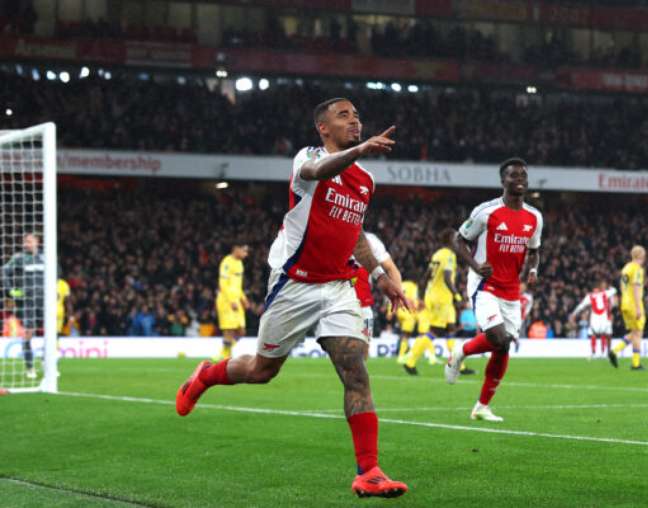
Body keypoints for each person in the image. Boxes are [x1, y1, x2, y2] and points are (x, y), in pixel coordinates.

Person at [175, 97, 411, 498]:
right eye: (344, 116)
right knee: (262, 371)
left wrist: (377, 273)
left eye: (356, 116)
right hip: (295, 283)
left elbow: (355, 231)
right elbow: (316, 171)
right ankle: (206, 375)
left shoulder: (365, 181)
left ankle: (368, 471)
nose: (354, 121)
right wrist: (359, 149)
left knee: (355, 368)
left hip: (338, 285)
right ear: (323, 127)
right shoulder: (310, 157)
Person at [446, 157, 543, 422]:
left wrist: (533, 270)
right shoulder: (486, 212)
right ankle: (460, 353)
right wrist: (476, 266)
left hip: (511, 289)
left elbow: (534, 250)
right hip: (484, 285)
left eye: (523, 175)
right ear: (503, 181)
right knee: (498, 337)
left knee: (503, 347)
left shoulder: (535, 217)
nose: (520, 179)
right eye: (514, 175)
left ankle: (481, 407)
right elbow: (458, 239)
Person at [419, 228, 474, 375]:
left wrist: (421, 295)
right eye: (456, 238)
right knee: (435, 331)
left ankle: (458, 366)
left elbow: (426, 276)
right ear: (450, 240)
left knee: (450, 329)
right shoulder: (449, 255)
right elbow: (447, 278)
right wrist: (457, 296)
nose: (458, 241)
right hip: (441, 298)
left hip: (437, 297)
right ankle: (410, 360)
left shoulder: (437, 254)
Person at [2, 233, 45, 379]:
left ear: (37, 242)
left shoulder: (45, 258)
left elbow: (57, 274)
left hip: (45, 300)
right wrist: (10, 290)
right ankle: (30, 367)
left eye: (29, 241)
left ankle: (48, 363)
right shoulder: (19, 258)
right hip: (28, 301)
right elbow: (3, 271)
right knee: (28, 333)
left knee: (53, 332)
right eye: (24, 241)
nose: (26, 244)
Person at [353, 231, 401, 339]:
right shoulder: (333, 236)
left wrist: (396, 298)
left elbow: (391, 269)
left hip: (363, 303)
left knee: (363, 346)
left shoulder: (371, 241)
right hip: (337, 301)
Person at [609, 246, 646, 370]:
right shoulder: (637, 269)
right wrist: (638, 307)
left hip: (625, 303)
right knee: (638, 333)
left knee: (634, 333)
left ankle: (614, 351)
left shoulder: (626, 268)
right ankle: (636, 364)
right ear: (641, 256)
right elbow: (636, 287)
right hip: (634, 304)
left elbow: (621, 286)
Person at [214, 241, 250, 360]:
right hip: (226, 300)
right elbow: (223, 284)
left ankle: (223, 351)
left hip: (236, 300)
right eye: (244, 250)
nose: (246, 254)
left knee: (241, 331)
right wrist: (231, 301)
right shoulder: (226, 262)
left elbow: (237, 286)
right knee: (229, 330)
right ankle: (225, 355)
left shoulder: (239, 263)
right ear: (236, 248)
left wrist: (243, 298)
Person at [570, 280, 616, 359]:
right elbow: (581, 306)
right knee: (597, 335)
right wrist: (574, 313)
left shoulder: (599, 295)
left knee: (600, 335)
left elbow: (581, 306)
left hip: (601, 319)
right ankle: (597, 352)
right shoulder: (597, 295)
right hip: (598, 319)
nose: (596, 291)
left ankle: (601, 352)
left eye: (597, 289)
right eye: (595, 289)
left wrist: (573, 314)